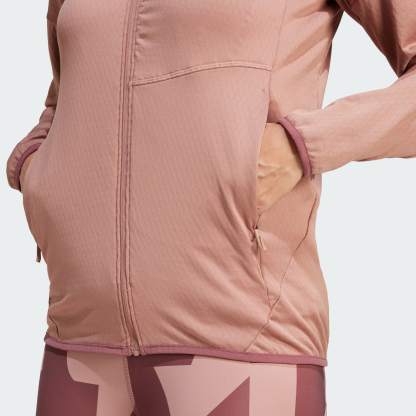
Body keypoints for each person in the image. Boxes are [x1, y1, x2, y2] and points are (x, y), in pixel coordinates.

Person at [7, 1, 415, 415]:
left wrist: (302, 146)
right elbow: (67, 90)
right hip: (77, 338)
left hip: (240, 336)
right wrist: (36, 168)